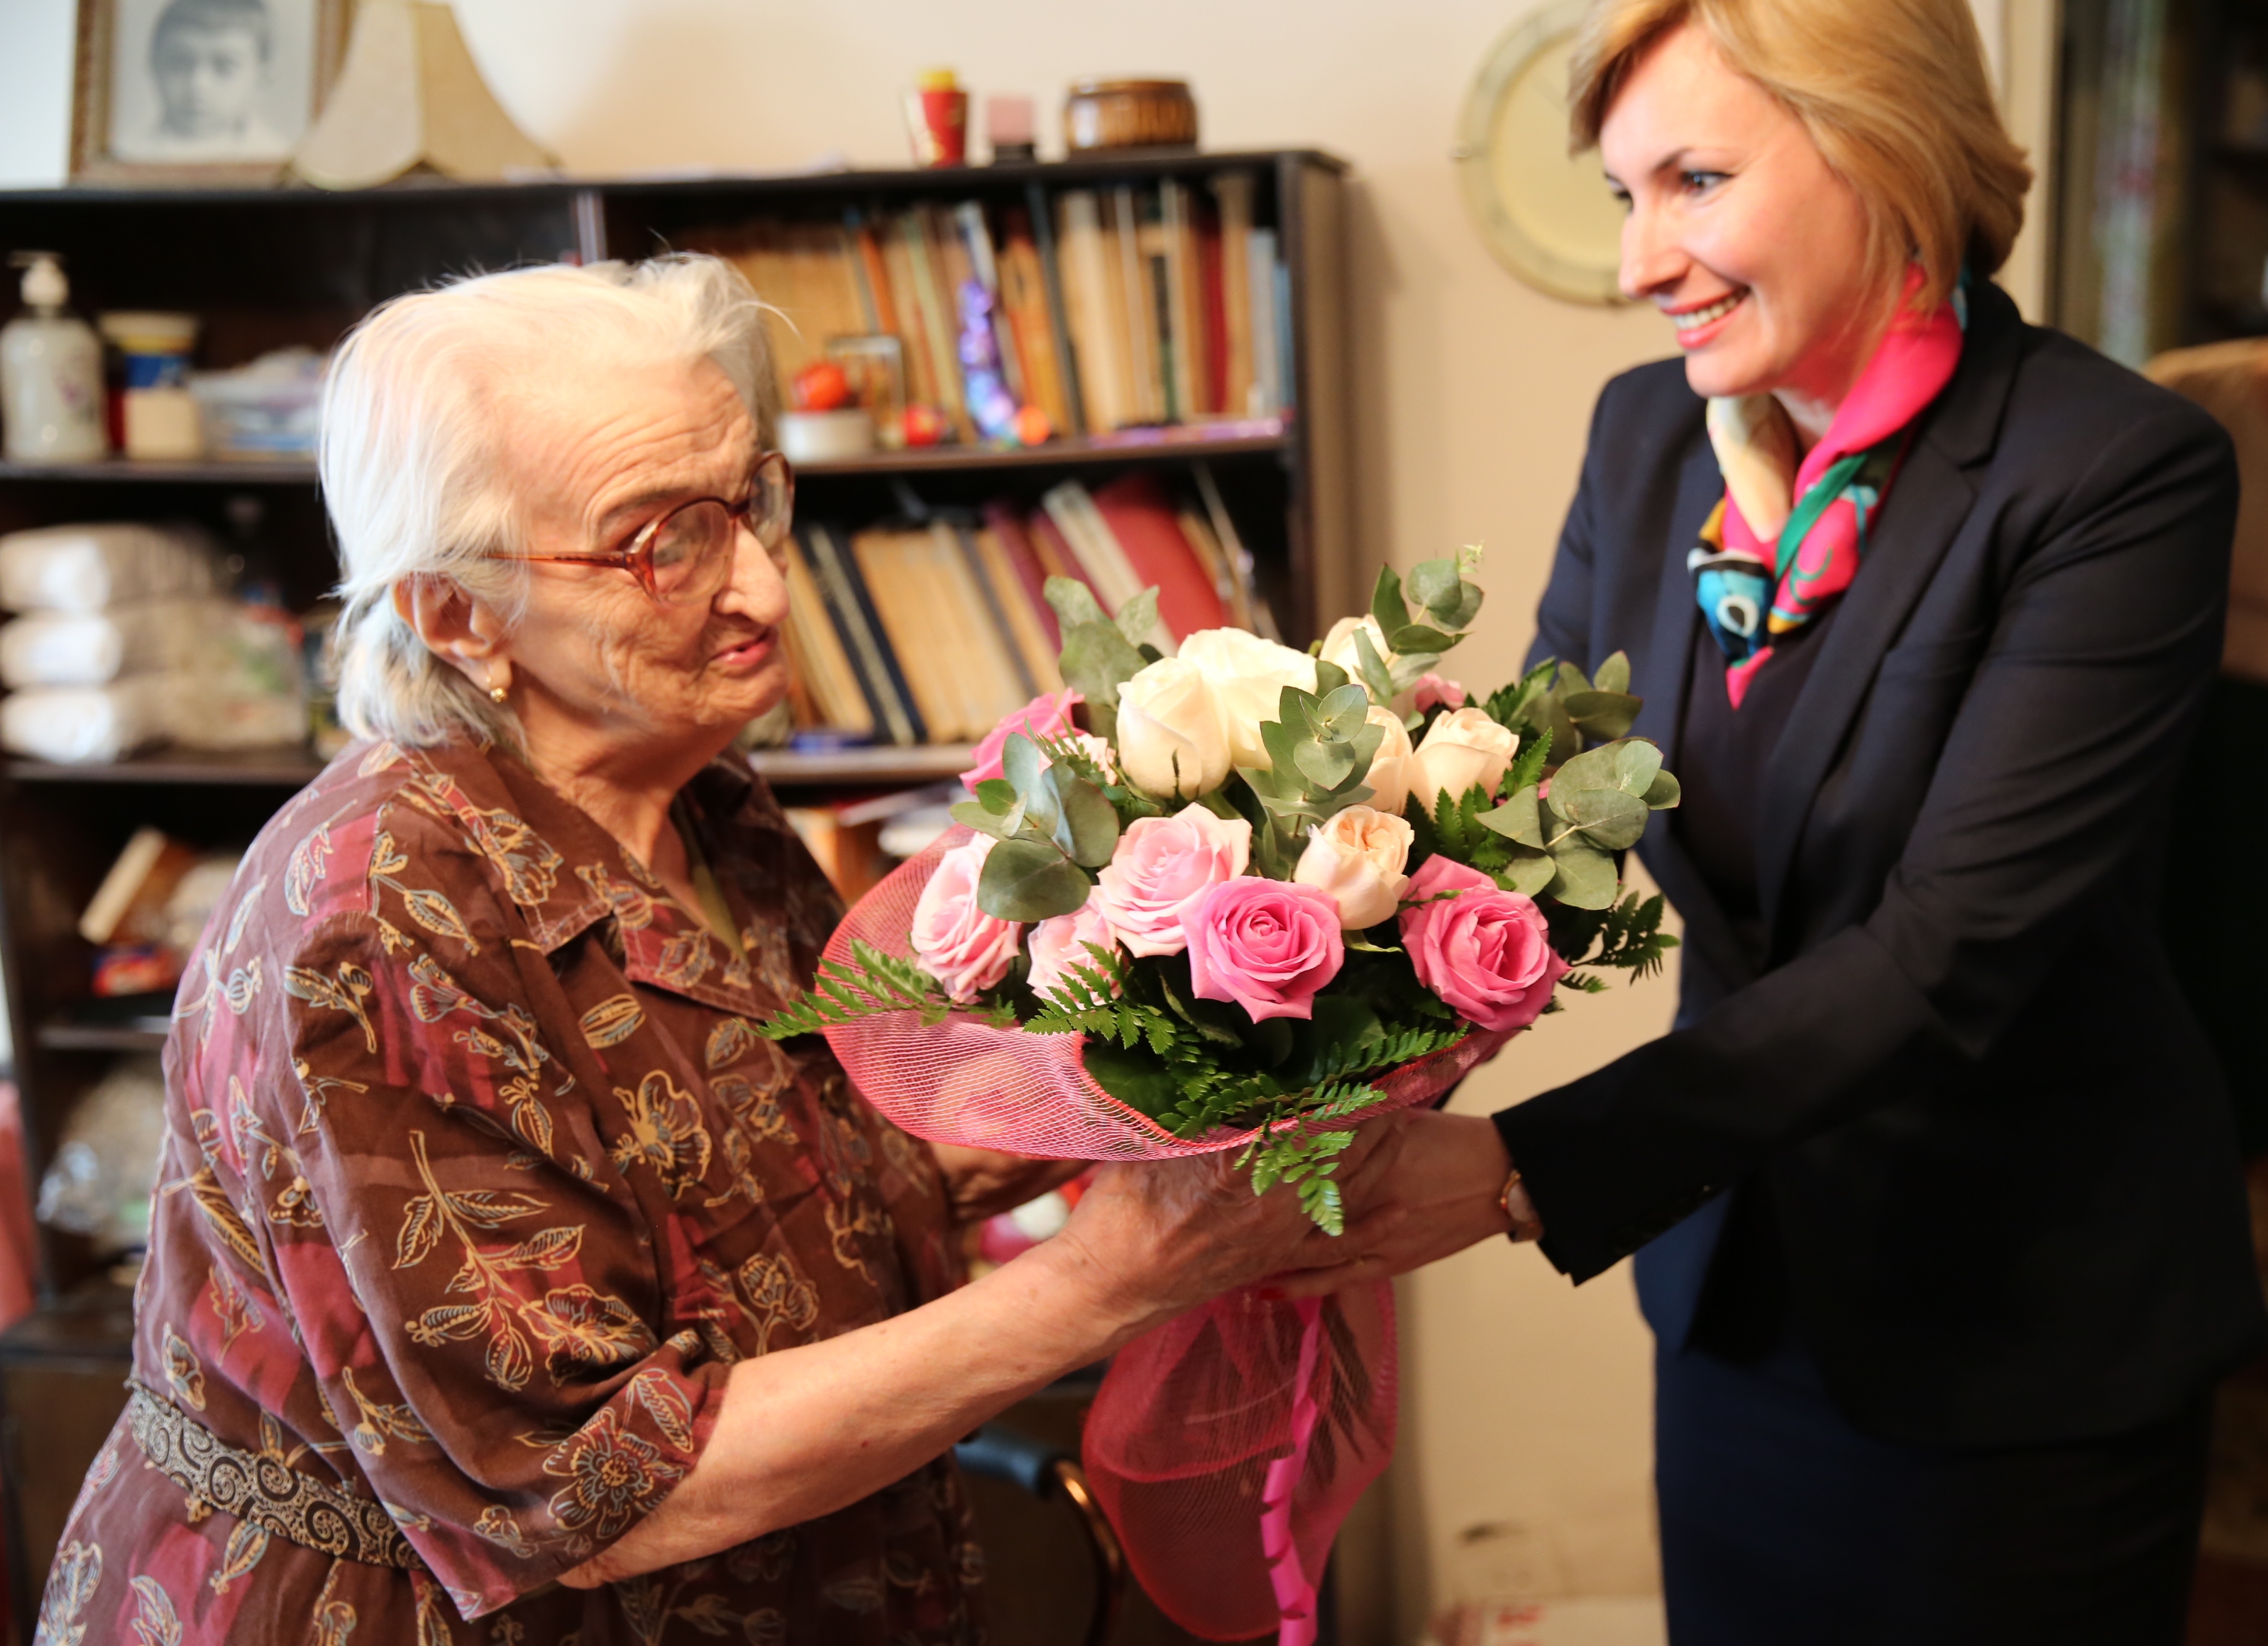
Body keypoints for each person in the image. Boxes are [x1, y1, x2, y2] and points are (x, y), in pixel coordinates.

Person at [36, 256, 1399, 1644]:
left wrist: (1198, 1070)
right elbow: (604, 1487)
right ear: (457, 613)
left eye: (750, 499)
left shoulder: (700, 800)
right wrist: (1111, 1274)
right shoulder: (383, 914)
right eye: (660, 538)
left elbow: (763, 1181)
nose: (758, 584)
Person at [1337, 1, 2268, 1640]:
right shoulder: (1646, 440)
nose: (1637, 260)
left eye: (1691, 180)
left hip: (2018, 1328)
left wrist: (1517, 1167)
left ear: (1880, 149)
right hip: (1739, 1289)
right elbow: (1544, 815)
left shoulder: (2115, 473)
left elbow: (1948, 945)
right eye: (1625, 194)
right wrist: (1290, 1015)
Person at [121, 0, 292, 162]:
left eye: (224, 67)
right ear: (154, 67)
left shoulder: (279, 158)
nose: (197, 84)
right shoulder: (123, 155)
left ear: (263, 78)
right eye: (179, 64)